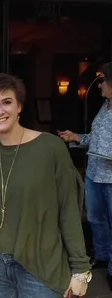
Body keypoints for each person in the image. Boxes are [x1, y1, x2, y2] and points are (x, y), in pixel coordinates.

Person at [0, 73, 91, 298]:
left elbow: (68, 209)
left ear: (19, 106)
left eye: (6, 102)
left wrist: (80, 269)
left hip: (41, 265)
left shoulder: (50, 147)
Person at [58, 61, 112, 289]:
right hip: (94, 175)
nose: (99, 85)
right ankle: (101, 255)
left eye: (103, 80)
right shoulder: (104, 107)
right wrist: (76, 138)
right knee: (95, 219)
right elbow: (94, 138)